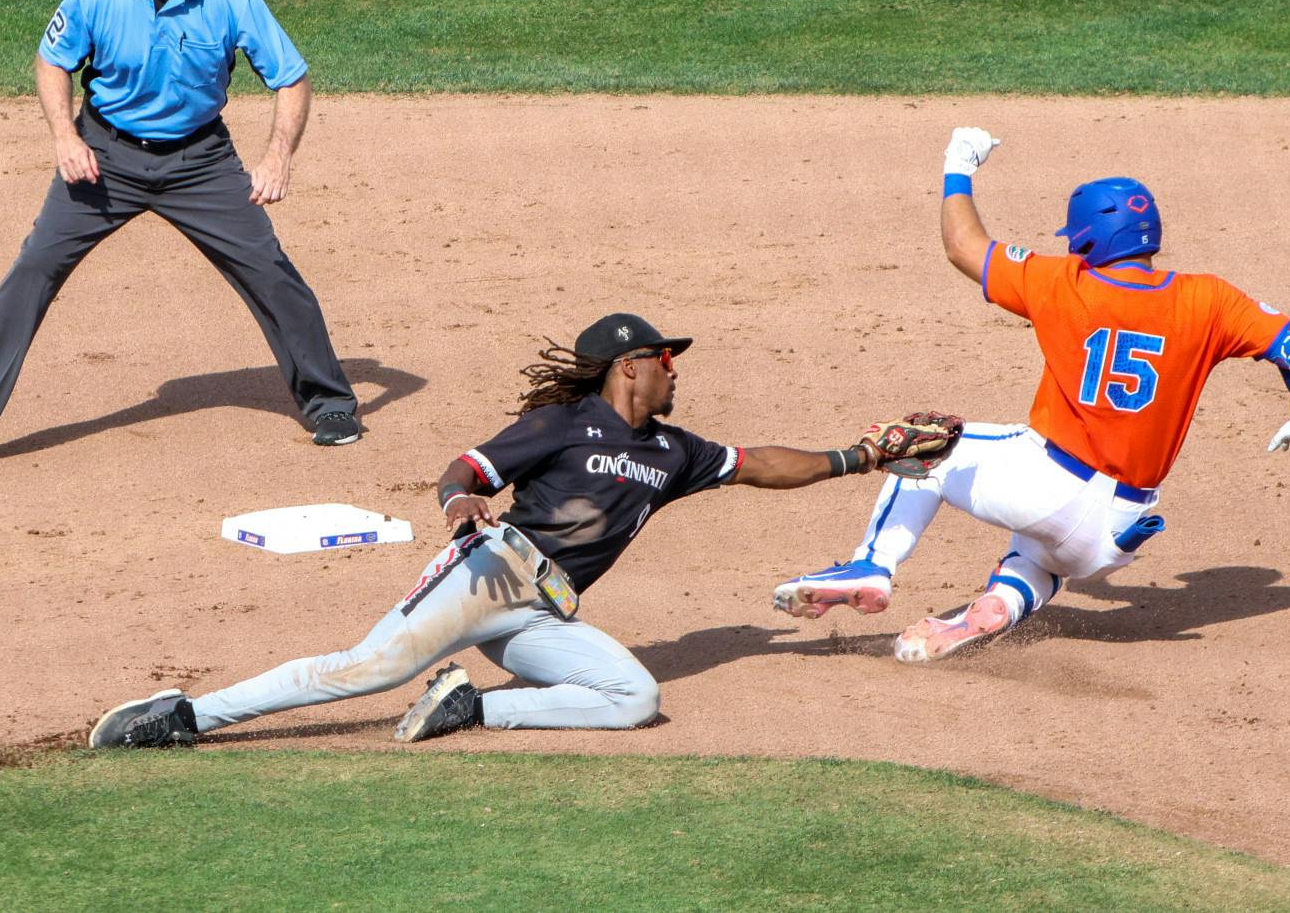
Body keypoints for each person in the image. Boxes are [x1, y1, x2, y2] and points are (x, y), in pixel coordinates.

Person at [88, 313, 948, 747]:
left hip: (546, 611)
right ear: (630, 366)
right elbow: (462, 472)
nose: (676, 369)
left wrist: (860, 454)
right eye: (666, 358)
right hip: (493, 570)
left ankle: (473, 707)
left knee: (636, 698)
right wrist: (461, 509)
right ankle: (183, 715)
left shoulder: (676, 451)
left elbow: (762, 462)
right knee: (361, 670)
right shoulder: (567, 424)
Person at [773, 127, 1290, 663]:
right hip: (1115, 534)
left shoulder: (1063, 282)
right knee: (1038, 558)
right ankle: (1002, 602)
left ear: (1088, 238)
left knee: (925, 444)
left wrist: (958, 164)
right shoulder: (1210, 300)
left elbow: (963, 246)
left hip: (1051, 486)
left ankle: (871, 564)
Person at [0, 0, 361, 451]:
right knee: (35, 268)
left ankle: (330, 404)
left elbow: (291, 76)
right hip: (106, 157)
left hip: (200, 160)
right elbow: (53, 61)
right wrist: (64, 138)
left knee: (270, 271)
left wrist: (278, 157)